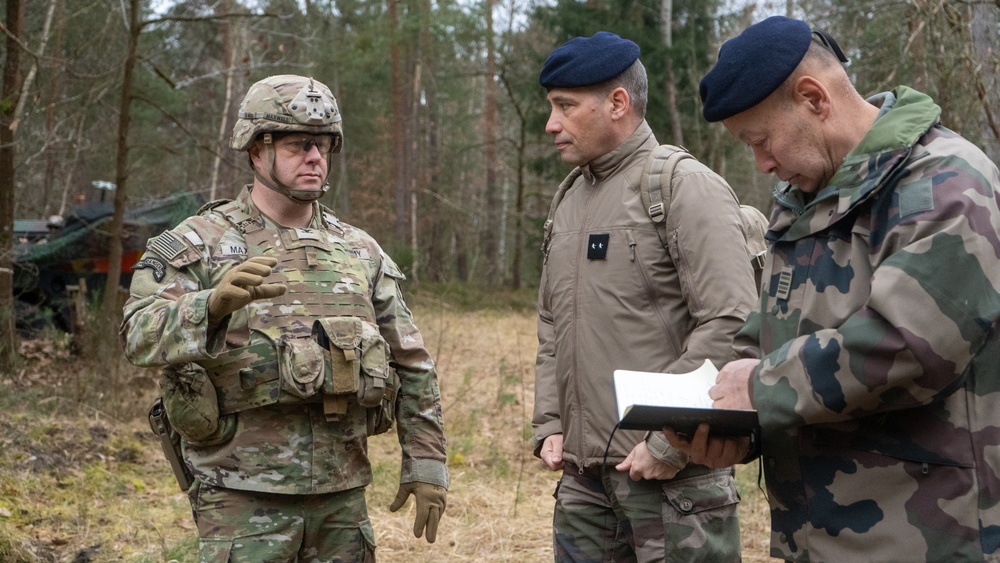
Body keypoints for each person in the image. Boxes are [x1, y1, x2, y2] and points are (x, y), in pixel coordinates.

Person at [665, 15, 1000, 562]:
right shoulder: (803, 202)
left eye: (761, 140)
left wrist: (760, 389)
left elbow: (908, 346)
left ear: (813, 98)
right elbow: (768, 334)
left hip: (926, 539)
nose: (762, 163)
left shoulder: (946, 184)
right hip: (816, 538)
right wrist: (729, 422)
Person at [120, 74, 448, 561]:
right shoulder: (199, 242)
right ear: (256, 150)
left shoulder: (359, 250)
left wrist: (425, 463)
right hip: (240, 497)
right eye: (300, 145)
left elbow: (412, 363)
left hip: (342, 495)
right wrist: (208, 307)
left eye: (324, 146)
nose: (316, 158)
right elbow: (135, 334)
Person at [533, 31, 758, 562]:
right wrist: (550, 424)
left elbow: (732, 321)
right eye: (551, 107)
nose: (551, 124)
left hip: (674, 487)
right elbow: (551, 323)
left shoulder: (683, 186)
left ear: (618, 103)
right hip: (583, 486)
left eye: (565, 107)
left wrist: (667, 443)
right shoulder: (569, 199)